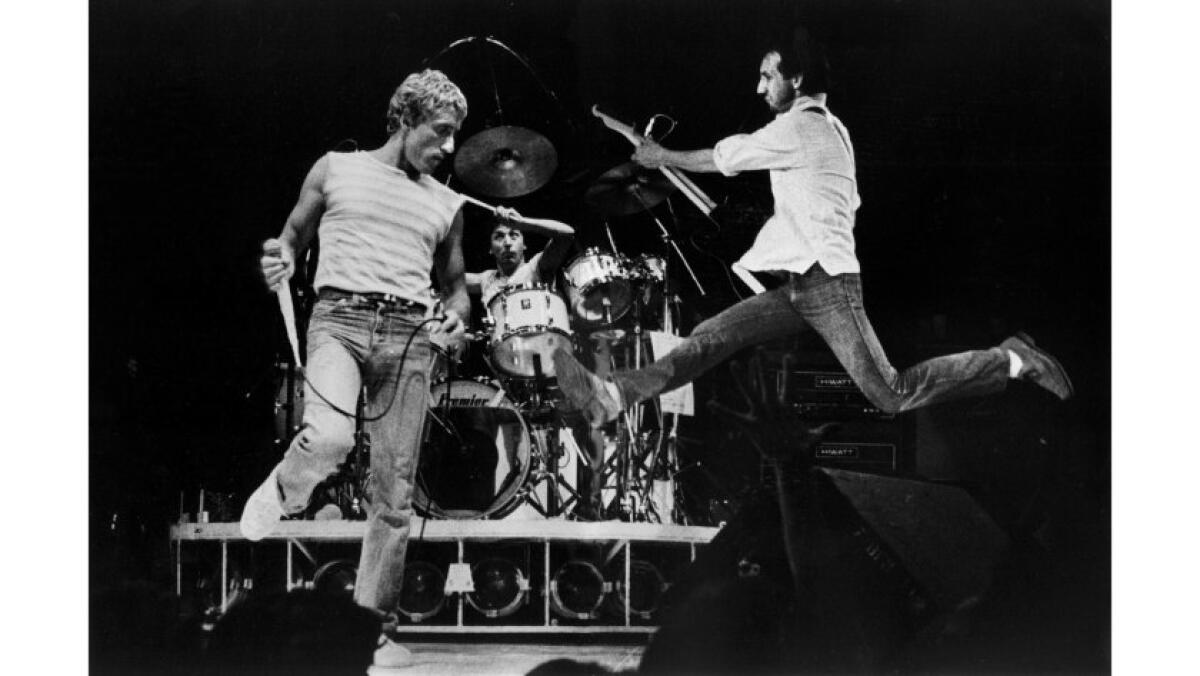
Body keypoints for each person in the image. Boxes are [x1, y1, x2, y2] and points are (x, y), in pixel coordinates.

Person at [552, 26, 1073, 429]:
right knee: (711, 336)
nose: (759, 88)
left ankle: (1010, 359)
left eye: (767, 76)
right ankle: (614, 396)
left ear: (795, 79)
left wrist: (660, 154)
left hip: (827, 286)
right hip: (801, 286)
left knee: (891, 394)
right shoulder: (832, 132)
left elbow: (725, 156)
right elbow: (841, 201)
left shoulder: (801, 127)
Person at [239, 69, 470, 669]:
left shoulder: (448, 202)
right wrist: (280, 259)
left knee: (394, 492)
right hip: (339, 319)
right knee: (332, 437)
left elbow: (456, 287)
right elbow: (290, 237)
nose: (449, 148)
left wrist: (456, 317)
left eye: (455, 137)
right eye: (441, 132)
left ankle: (376, 630)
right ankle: (287, 487)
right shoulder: (335, 168)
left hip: (411, 336)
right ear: (405, 120)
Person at [466, 207, 575, 308]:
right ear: (491, 249)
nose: (507, 243)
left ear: (524, 245)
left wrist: (523, 223)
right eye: (499, 237)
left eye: (514, 235)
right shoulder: (486, 279)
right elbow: (451, 278)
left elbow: (567, 235)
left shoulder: (536, 267)